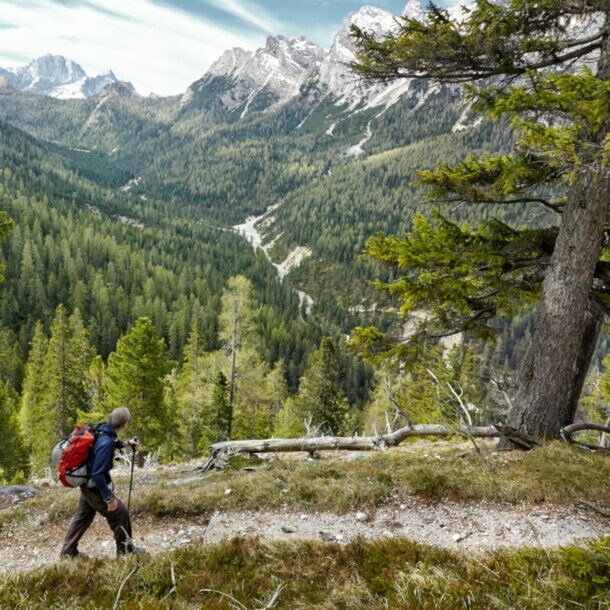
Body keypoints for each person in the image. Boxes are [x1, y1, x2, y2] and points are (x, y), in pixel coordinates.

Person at [60, 407, 140, 559]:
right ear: (124, 425)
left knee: (83, 516)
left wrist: (126, 443)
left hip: (86, 483)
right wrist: (109, 498)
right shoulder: (107, 443)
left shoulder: (103, 429)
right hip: (93, 486)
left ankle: (68, 553)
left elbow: (112, 440)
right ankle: (126, 555)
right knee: (120, 515)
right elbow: (98, 475)